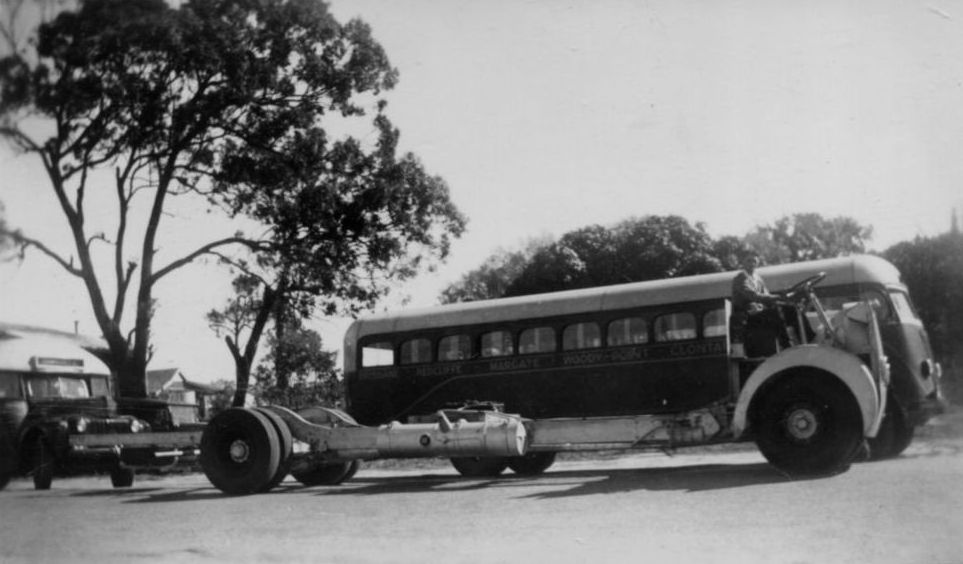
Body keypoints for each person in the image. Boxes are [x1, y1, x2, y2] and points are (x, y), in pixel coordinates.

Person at [731, 254, 790, 355]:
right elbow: (753, 296)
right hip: (746, 318)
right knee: (774, 313)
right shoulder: (740, 278)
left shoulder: (758, 278)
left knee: (789, 309)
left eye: (754, 261)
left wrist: (784, 298)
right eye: (749, 261)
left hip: (758, 313)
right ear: (743, 263)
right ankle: (786, 345)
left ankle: (809, 336)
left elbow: (767, 296)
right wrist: (778, 297)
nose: (752, 263)